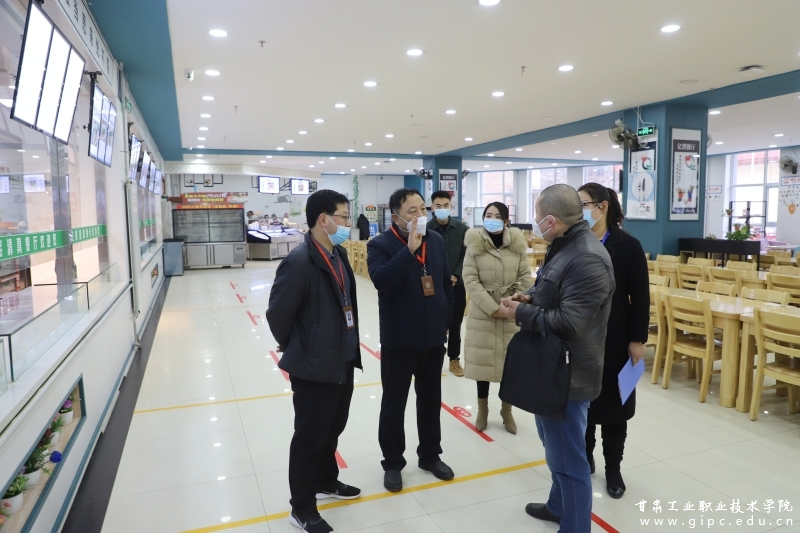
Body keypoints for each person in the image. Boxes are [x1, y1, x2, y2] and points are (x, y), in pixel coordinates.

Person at [499, 184, 614, 533]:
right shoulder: (563, 246)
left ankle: (575, 526)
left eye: (537, 216)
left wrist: (520, 313)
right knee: (555, 449)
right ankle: (557, 506)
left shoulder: (587, 257)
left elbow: (570, 323)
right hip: (551, 365)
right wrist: (529, 298)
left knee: (568, 461)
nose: (534, 222)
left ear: (550, 220)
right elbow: (552, 293)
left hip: (569, 374)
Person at [266, 189, 363, 533]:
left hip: (342, 358)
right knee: (309, 437)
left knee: (332, 427)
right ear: (324, 219)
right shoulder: (299, 262)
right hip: (313, 365)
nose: (347, 224)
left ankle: (326, 480)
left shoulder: (337, 254)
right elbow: (278, 314)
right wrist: (300, 346)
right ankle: (302, 507)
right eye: (344, 217)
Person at [367, 188, 455, 493]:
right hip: (400, 341)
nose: (420, 216)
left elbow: (444, 285)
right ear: (396, 218)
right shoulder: (380, 244)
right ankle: (393, 462)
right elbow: (382, 281)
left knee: (430, 401)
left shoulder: (437, 241)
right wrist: (408, 250)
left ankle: (430, 455)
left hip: (433, 339)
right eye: (412, 211)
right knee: (394, 405)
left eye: (423, 209)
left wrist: (445, 324)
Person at [577, 183, 649, 499]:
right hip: (580, 338)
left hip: (617, 339)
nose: (579, 210)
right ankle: (585, 458)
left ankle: (613, 469)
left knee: (615, 408)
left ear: (602, 206)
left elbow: (641, 297)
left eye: (583, 204)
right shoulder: (574, 241)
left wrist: (637, 339)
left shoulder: (628, 245)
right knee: (583, 405)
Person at [462, 202, 532, 434]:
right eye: (488, 215)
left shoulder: (517, 245)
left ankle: (506, 410)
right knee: (483, 363)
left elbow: (525, 277)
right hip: (484, 314)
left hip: (511, 312)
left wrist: (512, 302)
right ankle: (482, 410)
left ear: (506, 220)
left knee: (509, 365)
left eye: (497, 216)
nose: (492, 219)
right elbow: (470, 279)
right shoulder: (474, 245)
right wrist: (493, 308)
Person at [427, 191, 469, 377]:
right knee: (434, 323)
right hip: (434, 287)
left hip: (456, 286)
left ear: (451, 206)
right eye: (438, 206)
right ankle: (432, 359)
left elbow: (466, 256)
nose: (442, 209)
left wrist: (455, 275)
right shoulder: (426, 229)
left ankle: (454, 359)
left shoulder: (462, 229)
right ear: (432, 207)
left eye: (446, 205)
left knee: (455, 324)